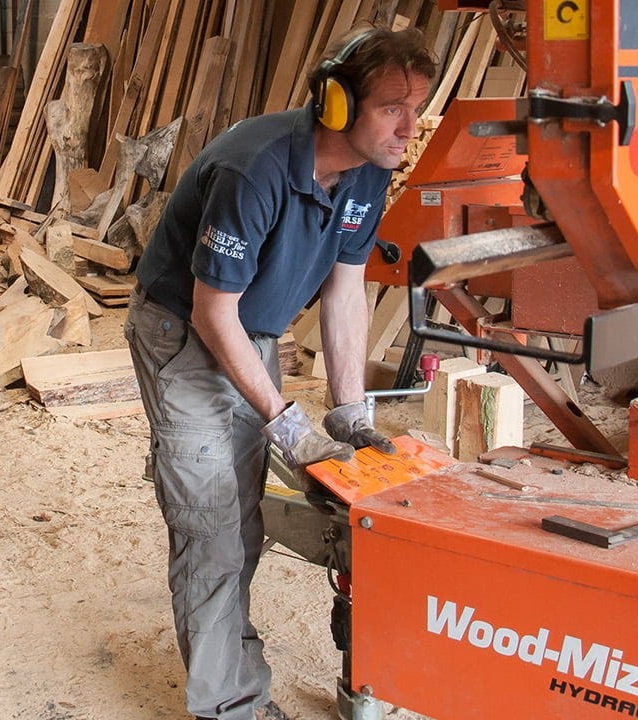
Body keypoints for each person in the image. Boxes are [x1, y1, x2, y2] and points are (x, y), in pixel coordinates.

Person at [123, 28, 437, 720]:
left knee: (243, 516)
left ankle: (228, 659)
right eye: (393, 107)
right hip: (185, 330)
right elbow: (212, 313)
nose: (410, 128)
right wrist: (284, 419)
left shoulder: (371, 168)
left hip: (250, 330)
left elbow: (346, 289)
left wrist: (350, 412)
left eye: (418, 107)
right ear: (336, 104)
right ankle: (229, 705)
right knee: (210, 520)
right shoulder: (255, 168)